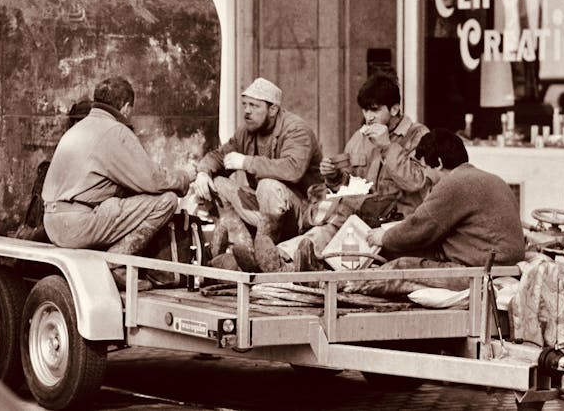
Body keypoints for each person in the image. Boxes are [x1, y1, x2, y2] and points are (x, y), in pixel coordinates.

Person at [260, 68, 430, 273]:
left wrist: (387, 147)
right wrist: (334, 177)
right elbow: (352, 184)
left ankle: (288, 268)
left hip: (395, 225)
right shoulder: (360, 138)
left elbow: (416, 182)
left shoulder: (419, 136)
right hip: (357, 218)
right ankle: (277, 257)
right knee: (324, 232)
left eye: (374, 110)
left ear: (394, 109)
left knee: (340, 244)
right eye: (365, 110)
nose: (368, 117)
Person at [356, 129, 525, 294]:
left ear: (438, 163)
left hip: (481, 271)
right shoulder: (491, 179)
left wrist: (383, 237)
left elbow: (418, 227)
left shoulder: (454, 183)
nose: (425, 175)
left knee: (401, 266)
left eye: (423, 167)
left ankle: (345, 285)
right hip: (505, 266)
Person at [42, 76, 193, 257]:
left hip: (51, 222)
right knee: (167, 200)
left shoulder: (77, 128)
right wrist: (185, 177)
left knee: (115, 202)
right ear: (126, 107)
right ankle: (116, 263)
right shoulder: (115, 131)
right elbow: (153, 180)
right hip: (77, 225)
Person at [192, 77, 323, 271]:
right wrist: (203, 173)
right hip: (266, 211)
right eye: (245, 104)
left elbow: (292, 169)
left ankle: (264, 255)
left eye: (254, 105)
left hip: (300, 213)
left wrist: (246, 162)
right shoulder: (247, 131)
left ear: (272, 110)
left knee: (268, 185)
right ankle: (241, 247)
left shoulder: (296, 129)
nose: (247, 111)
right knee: (218, 183)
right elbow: (219, 156)